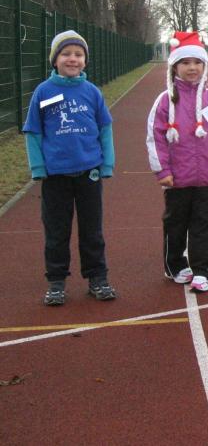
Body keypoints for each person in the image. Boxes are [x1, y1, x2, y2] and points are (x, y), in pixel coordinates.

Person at [23, 30, 117, 305]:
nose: (72, 59)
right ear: (55, 59)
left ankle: (97, 278)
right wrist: (38, 167)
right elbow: (33, 131)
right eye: (66, 54)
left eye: (78, 54)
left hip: (89, 173)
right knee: (56, 232)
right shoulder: (44, 91)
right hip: (56, 176)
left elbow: (105, 128)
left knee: (92, 231)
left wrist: (107, 163)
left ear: (85, 61)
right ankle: (56, 282)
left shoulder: (92, 92)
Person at [146, 31, 208, 292]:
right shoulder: (165, 101)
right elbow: (155, 137)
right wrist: (162, 170)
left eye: (198, 62)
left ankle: (203, 271)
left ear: (205, 66)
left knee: (205, 224)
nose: (192, 67)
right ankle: (174, 265)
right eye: (185, 62)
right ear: (174, 66)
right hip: (176, 178)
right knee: (175, 223)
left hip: (207, 178)